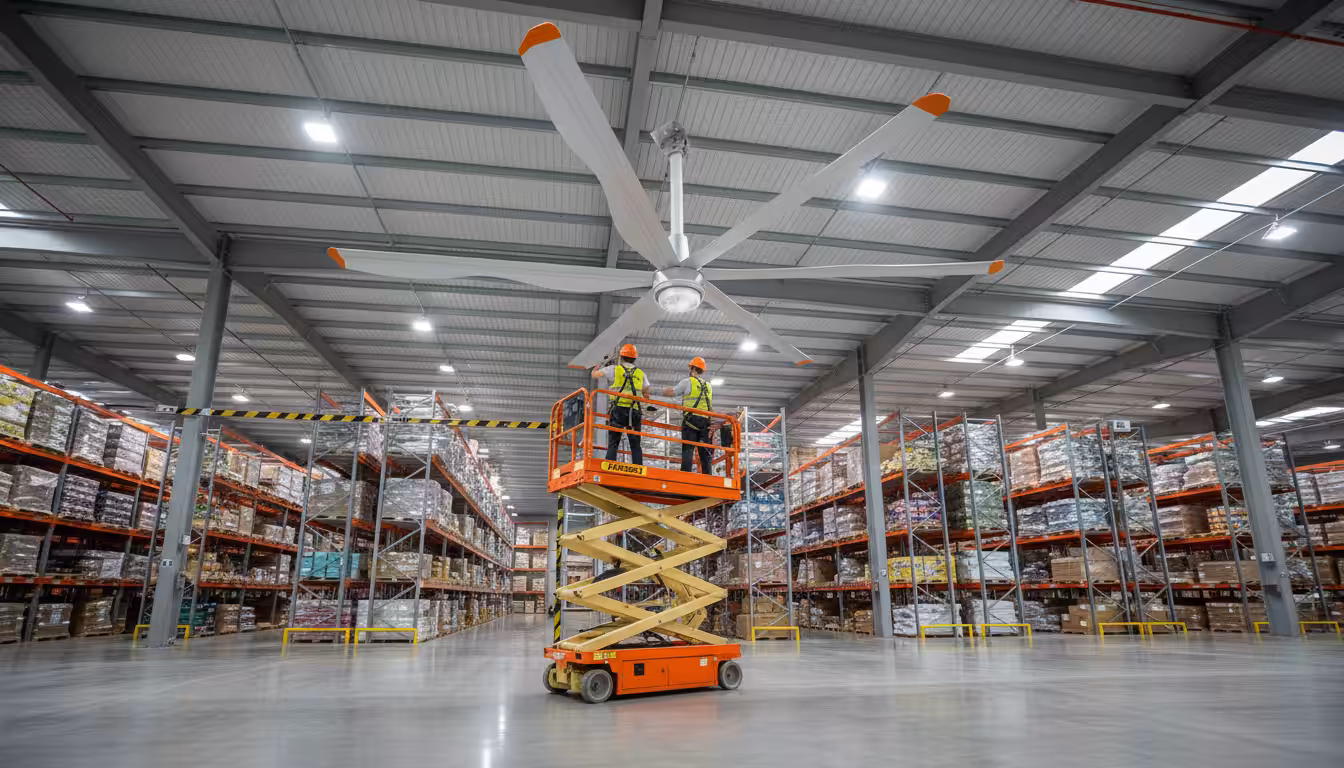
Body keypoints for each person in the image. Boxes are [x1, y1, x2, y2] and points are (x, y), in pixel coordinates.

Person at [592, 343, 650, 465]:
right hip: (634, 411)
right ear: (635, 358)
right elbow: (646, 393)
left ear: (621, 357)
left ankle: (610, 467)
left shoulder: (614, 369)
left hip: (618, 410)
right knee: (635, 444)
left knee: (614, 442)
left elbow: (595, 375)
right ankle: (638, 470)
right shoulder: (641, 374)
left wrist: (598, 365)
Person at [663, 356, 714, 474]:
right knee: (705, 453)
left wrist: (651, 391)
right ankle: (708, 478)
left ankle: (685, 476)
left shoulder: (687, 382)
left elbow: (672, 392)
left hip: (691, 421)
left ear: (692, 368)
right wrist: (711, 423)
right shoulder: (708, 386)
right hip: (705, 422)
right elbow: (710, 407)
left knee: (688, 450)